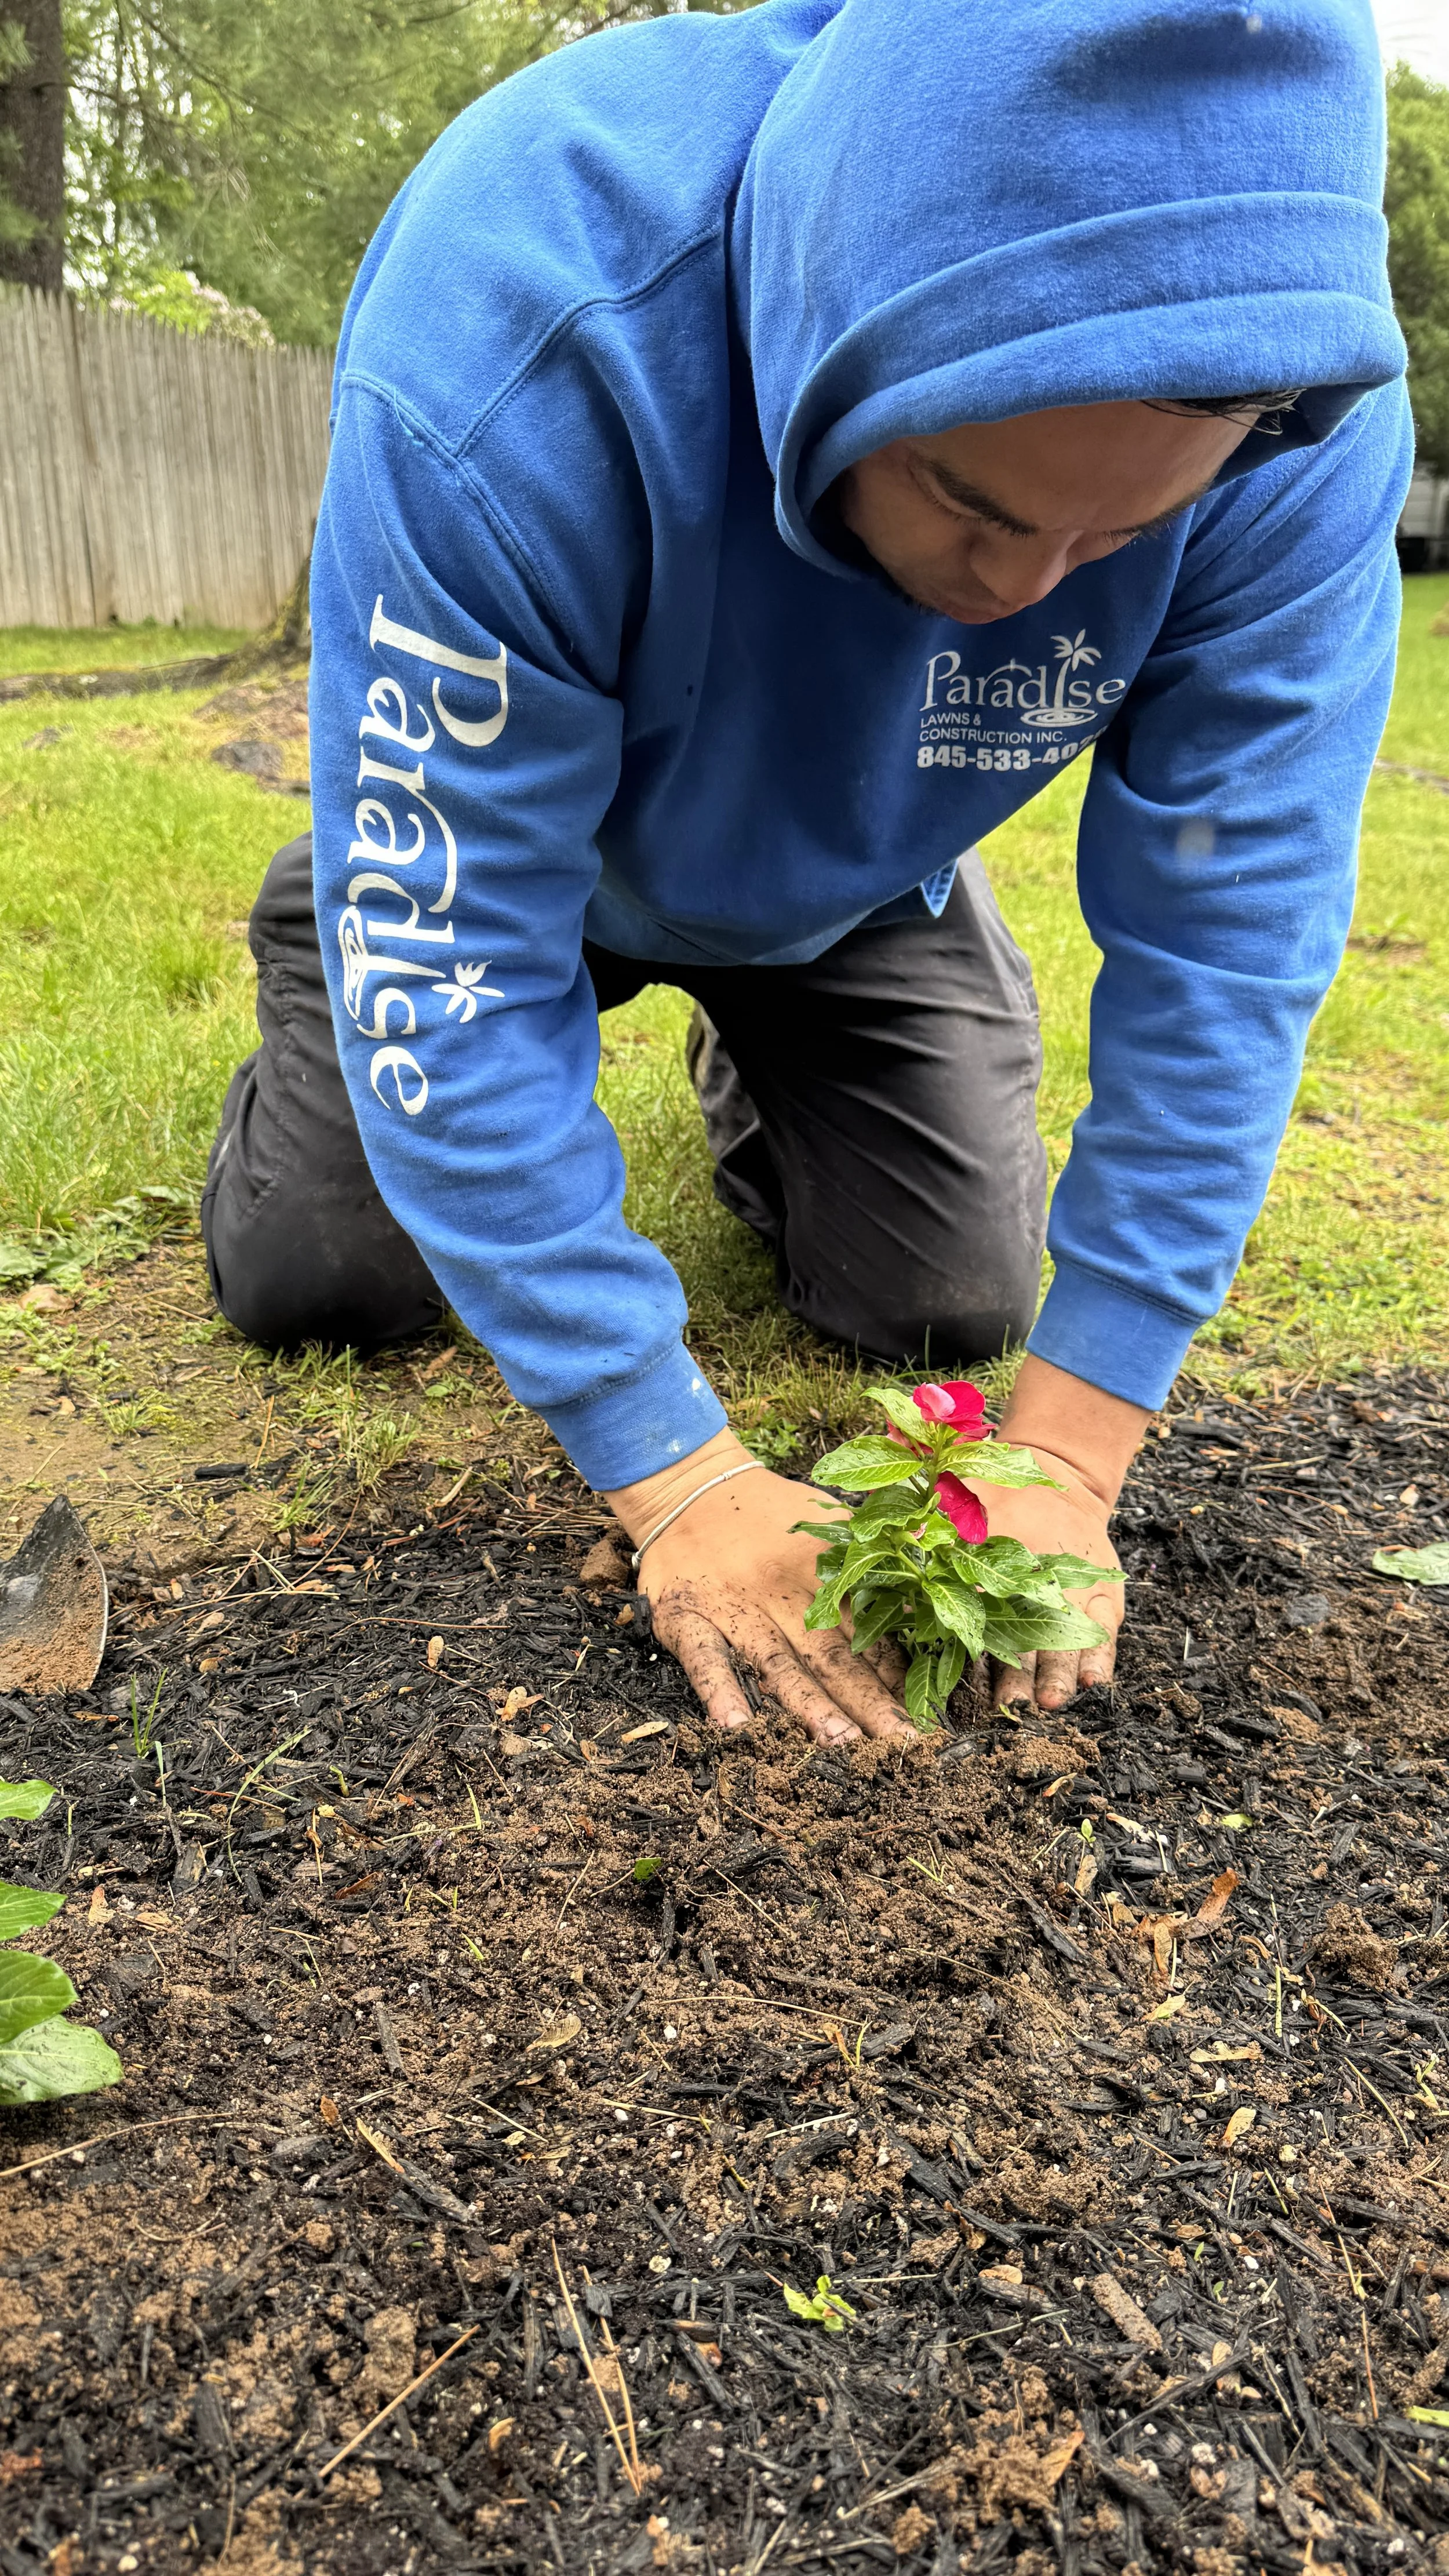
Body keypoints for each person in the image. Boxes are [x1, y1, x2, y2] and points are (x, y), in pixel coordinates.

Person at [202, 0, 1409, 1749]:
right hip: (523, 854)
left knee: (943, 1300)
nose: (1027, 588)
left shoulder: (1291, 414)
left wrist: (1068, 1453)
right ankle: (341, 917)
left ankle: (758, 1003)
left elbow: (1232, 928)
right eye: (974, 501)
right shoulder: (523, 316)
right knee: (325, 1272)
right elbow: (456, 967)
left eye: (1116, 539)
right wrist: (675, 1475)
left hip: (854, 885)